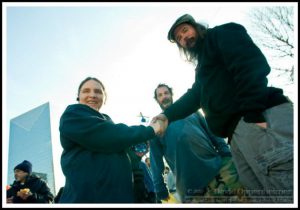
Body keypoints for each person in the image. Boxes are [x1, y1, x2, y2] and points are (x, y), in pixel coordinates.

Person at [154, 14, 293, 202]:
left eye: (185, 30)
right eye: (179, 38)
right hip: (237, 135)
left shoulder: (222, 33)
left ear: (196, 26)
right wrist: (166, 116)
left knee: (286, 188)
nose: (184, 38)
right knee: (263, 197)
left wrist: (253, 113)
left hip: (260, 119)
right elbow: (195, 95)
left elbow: (250, 64)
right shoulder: (203, 68)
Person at [58, 77, 163, 203]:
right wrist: (150, 130)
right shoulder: (72, 114)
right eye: (86, 91)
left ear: (104, 98)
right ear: (78, 97)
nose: (92, 95)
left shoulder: (110, 124)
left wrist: (135, 160)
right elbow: (108, 135)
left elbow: (123, 150)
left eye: (98, 92)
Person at [151, 84, 242, 203]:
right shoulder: (156, 126)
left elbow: (212, 133)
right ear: (157, 99)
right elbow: (155, 162)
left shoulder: (192, 112)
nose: (164, 97)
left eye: (166, 93)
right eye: (160, 95)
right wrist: (160, 188)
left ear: (171, 95)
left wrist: (226, 153)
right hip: (191, 189)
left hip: (219, 171)